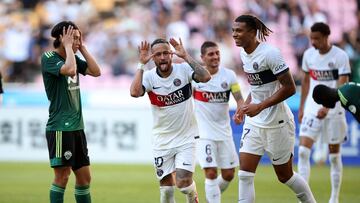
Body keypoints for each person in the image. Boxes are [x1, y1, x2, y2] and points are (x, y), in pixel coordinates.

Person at [232, 14, 316, 203]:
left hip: (277, 123)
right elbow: (257, 87)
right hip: (254, 123)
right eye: (233, 31)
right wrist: (245, 106)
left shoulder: (270, 54)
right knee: (244, 175)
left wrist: (260, 106)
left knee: (285, 176)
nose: (234, 35)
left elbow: (290, 88)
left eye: (239, 30)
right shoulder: (243, 53)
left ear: (252, 33)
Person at [130, 38, 211, 203]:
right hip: (162, 140)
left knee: (183, 183)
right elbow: (135, 92)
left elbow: (206, 77)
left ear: (171, 54)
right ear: (153, 58)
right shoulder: (150, 77)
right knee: (166, 190)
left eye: (166, 53)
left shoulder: (183, 70)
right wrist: (141, 65)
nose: (162, 57)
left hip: (186, 137)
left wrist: (186, 56)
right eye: (158, 54)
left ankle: (192, 196)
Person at [41, 21, 101, 203]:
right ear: (61, 38)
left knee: (84, 179)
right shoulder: (49, 57)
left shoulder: (73, 56)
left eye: (78, 38)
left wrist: (81, 48)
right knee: (63, 177)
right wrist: (69, 47)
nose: (77, 41)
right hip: (60, 127)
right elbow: (70, 70)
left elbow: (96, 71)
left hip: (77, 127)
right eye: (74, 38)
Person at [297, 22, 351, 203]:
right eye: (311, 38)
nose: (313, 42)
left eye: (317, 39)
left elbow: (342, 83)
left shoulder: (340, 56)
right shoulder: (308, 55)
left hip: (334, 110)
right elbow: (305, 81)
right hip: (312, 109)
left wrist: (327, 107)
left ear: (326, 37)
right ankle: (304, 199)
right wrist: (303, 107)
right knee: (303, 152)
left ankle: (334, 198)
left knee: (334, 156)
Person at [192, 41, 243, 203]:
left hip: (224, 132)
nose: (215, 57)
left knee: (228, 174)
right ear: (202, 58)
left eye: (217, 53)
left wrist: (240, 111)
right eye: (211, 54)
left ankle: (211, 196)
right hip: (204, 133)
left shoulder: (229, 76)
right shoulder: (195, 78)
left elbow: (239, 98)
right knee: (211, 173)